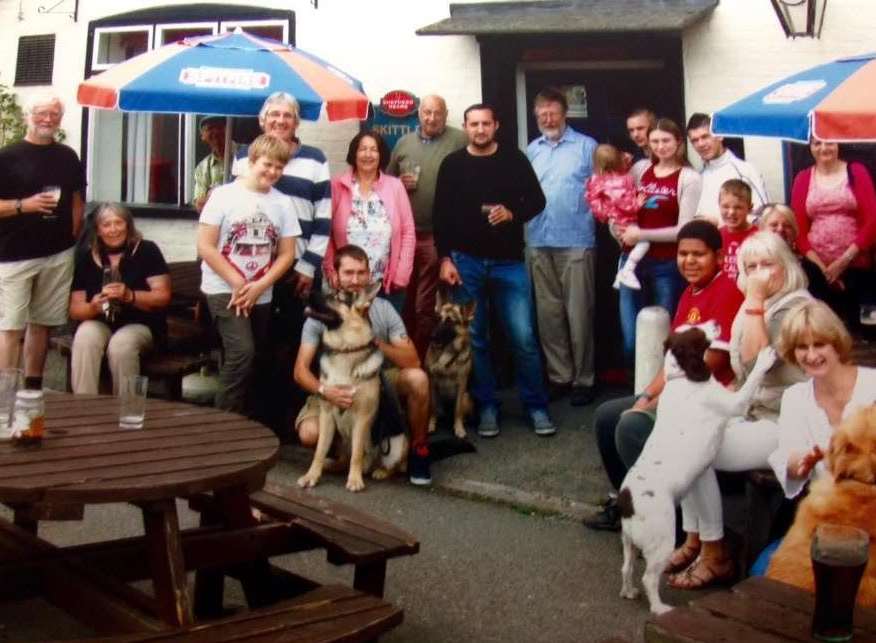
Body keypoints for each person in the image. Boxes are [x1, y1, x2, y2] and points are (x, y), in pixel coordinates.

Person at [667, 231, 811, 590]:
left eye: (767, 264)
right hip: (755, 413)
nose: (759, 273)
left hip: (787, 423)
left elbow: (752, 357)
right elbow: (743, 372)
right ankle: (696, 537)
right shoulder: (759, 304)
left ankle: (716, 553)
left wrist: (756, 300)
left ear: (786, 267)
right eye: (751, 266)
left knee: (694, 447)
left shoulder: (796, 307)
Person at [584, 220, 744, 531]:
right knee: (606, 416)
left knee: (631, 425)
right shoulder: (690, 293)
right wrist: (645, 396)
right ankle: (627, 504)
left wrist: (649, 405)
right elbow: (671, 362)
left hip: (705, 403)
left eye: (698, 254)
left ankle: (671, 523)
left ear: (719, 257)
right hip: (679, 395)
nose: (689, 261)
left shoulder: (726, 292)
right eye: (683, 254)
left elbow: (707, 366)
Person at [433, 103, 554, 437]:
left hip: (508, 261)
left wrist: (513, 212)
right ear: (466, 126)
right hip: (466, 261)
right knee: (476, 338)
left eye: (486, 123)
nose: (480, 130)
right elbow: (440, 215)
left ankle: (537, 406)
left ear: (496, 125)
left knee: (524, 337)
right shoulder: (453, 164)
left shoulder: (513, 159)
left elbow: (537, 201)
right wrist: (445, 258)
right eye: (474, 124)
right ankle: (487, 406)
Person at [232, 92, 330, 436]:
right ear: (262, 120)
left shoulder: (316, 159)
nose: (280, 121)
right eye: (273, 115)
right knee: (258, 346)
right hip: (253, 269)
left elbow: (324, 219)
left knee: (294, 345)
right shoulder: (244, 155)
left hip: (297, 270)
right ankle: (258, 420)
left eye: (287, 116)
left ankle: (292, 421)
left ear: (297, 122)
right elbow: (236, 209)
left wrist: (307, 267)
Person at [294, 245, 433, 485]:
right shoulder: (326, 311)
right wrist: (325, 391)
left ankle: (418, 450)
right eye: (348, 272)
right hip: (331, 382)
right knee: (309, 433)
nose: (355, 279)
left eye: (361, 272)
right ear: (335, 275)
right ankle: (341, 458)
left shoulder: (383, 309)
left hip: (374, 376)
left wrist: (372, 341)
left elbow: (413, 360)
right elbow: (300, 371)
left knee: (417, 378)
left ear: (369, 275)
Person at [198, 134, 300, 415]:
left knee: (256, 358)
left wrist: (259, 286)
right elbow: (206, 246)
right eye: (267, 165)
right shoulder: (223, 196)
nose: (273, 172)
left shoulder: (282, 203)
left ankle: (248, 422)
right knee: (242, 352)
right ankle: (223, 424)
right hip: (223, 287)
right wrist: (238, 282)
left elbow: (286, 253)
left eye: (279, 168)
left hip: (261, 292)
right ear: (252, 161)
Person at [0, 91, 85, 390]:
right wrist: (25, 205)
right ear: (27, 116)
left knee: (42, 325)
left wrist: (71, 236)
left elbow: (76, 199)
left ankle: (32, 389)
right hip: (14, 256)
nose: (47, 119)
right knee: (10, 328)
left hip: (57, 254)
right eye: (41, 113)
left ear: (60, 119)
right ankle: (4, 397)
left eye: (54, 114)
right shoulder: (7, 157)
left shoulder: (67, 156)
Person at [526, 87, 599, 406]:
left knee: (579, 314)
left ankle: (584, 379)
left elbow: (603, 190)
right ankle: (559, 376)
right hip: (539, 241)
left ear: (564, 113)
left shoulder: (587, 147)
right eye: (542, 114)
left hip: (577, 242)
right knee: (548, 316)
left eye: (553, 112)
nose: (548, 118)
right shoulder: (531, 150)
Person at [768, 299, 876, 499]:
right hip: (831, 507)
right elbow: (789, 458)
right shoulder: (795, 398)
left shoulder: (872, 385)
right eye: (801, 347)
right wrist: (801, 462)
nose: (811, 355)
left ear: (836, 344)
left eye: (819, 344)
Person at [387, 95, 467, 358]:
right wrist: (399, 181)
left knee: (424, 303)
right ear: (419, 114)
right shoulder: (404, 142)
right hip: (405, 236)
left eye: (437, 113)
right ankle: (407, 357)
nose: (431, 118)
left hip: (437, 235)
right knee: (405, 301)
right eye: (426, 113)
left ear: (446, 114)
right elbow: (386, 182)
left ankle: (422, 360)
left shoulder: (460, 139)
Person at [616, 118, 701, 363]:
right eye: (655, 141)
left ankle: (661, 394)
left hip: (666, 265)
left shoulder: (689, 177)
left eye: (666, 141)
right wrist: (617, 227)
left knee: (664, 336)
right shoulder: (640, 169)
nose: (661, 146)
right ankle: (637, 393)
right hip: (630, 262)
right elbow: (622, 207)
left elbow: (684, 229)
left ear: (678, 143)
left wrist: (641, 235)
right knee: (631, 339)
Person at [68, 203, 171, 394]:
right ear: (98, 230)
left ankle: (126, 412)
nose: (113, 229)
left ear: (128, 225)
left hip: (141, 323)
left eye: (119, 223)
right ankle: (84, 409)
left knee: (121, 345)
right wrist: (94, 307)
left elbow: (163, 296)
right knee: (85, 336)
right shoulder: (85, 257)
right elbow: (76, 309)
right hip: (101, 320)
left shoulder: (146, 250)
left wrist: (130, 296)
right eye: (107, 225)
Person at [790, 138, 876, 331]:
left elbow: (872, 220)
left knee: (863, 331)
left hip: (856, 266)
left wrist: (843, 261)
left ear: (838, 145)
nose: (823, 148)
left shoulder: (856, 172)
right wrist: (824, 269)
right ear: (810, 148)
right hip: (817, 270)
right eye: (816, 144)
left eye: (829, 142)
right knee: (822, 331)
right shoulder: (803, 178)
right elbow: (799, 231)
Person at [325, 131, 415, 312]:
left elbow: (408, 231)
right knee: (349, 337)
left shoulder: (395, 186)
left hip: (385, 283)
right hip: (347, 284)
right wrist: (331, 270)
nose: (368, 154)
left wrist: (402, 273)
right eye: (362, 149)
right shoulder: (337, 186)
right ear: (354, 153)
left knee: (385, 335)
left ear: (381, 155)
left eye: (374, 150)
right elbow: (325, 232)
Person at [686, 112, 769, 225]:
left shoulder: (745, 170)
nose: (700, 144)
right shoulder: (698, 176)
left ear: (719, 135)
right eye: (695, 140)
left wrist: (718, 222)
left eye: (705, 137)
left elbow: (762, 217)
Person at [587, 143, 645, 290]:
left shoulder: (597, 179)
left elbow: (594, 202)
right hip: (625, 221)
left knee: (625, 250)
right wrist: (637, 204)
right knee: (645, 242)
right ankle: (628, 270)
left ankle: (620, 274)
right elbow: (623, 203)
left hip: (612, 221)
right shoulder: (619, 181)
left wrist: (605, 215)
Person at [717, 179, 758, 282]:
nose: (731, 212)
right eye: (725, 206)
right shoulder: (716, 236)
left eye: (738, 207)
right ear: (719, 206)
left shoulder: (759, 236)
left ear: (750, 208)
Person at [193, 116, 234, 213]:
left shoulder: (247, 154)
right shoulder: (202, 168)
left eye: (219, 127)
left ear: (228, 130)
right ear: (203, 136)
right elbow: (199, 206)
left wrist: (214, 195)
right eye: (210, 128)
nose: (215, 132)